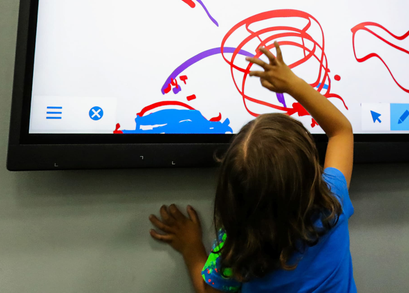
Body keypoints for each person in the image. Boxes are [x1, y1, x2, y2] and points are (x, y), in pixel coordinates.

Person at [148, 42, 356, 292]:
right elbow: (341, 131)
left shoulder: (237, 250)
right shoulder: (333, 204)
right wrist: (293, 84)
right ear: (311, 173)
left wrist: (191, 246)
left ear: (230, 198)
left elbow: (209, 291)